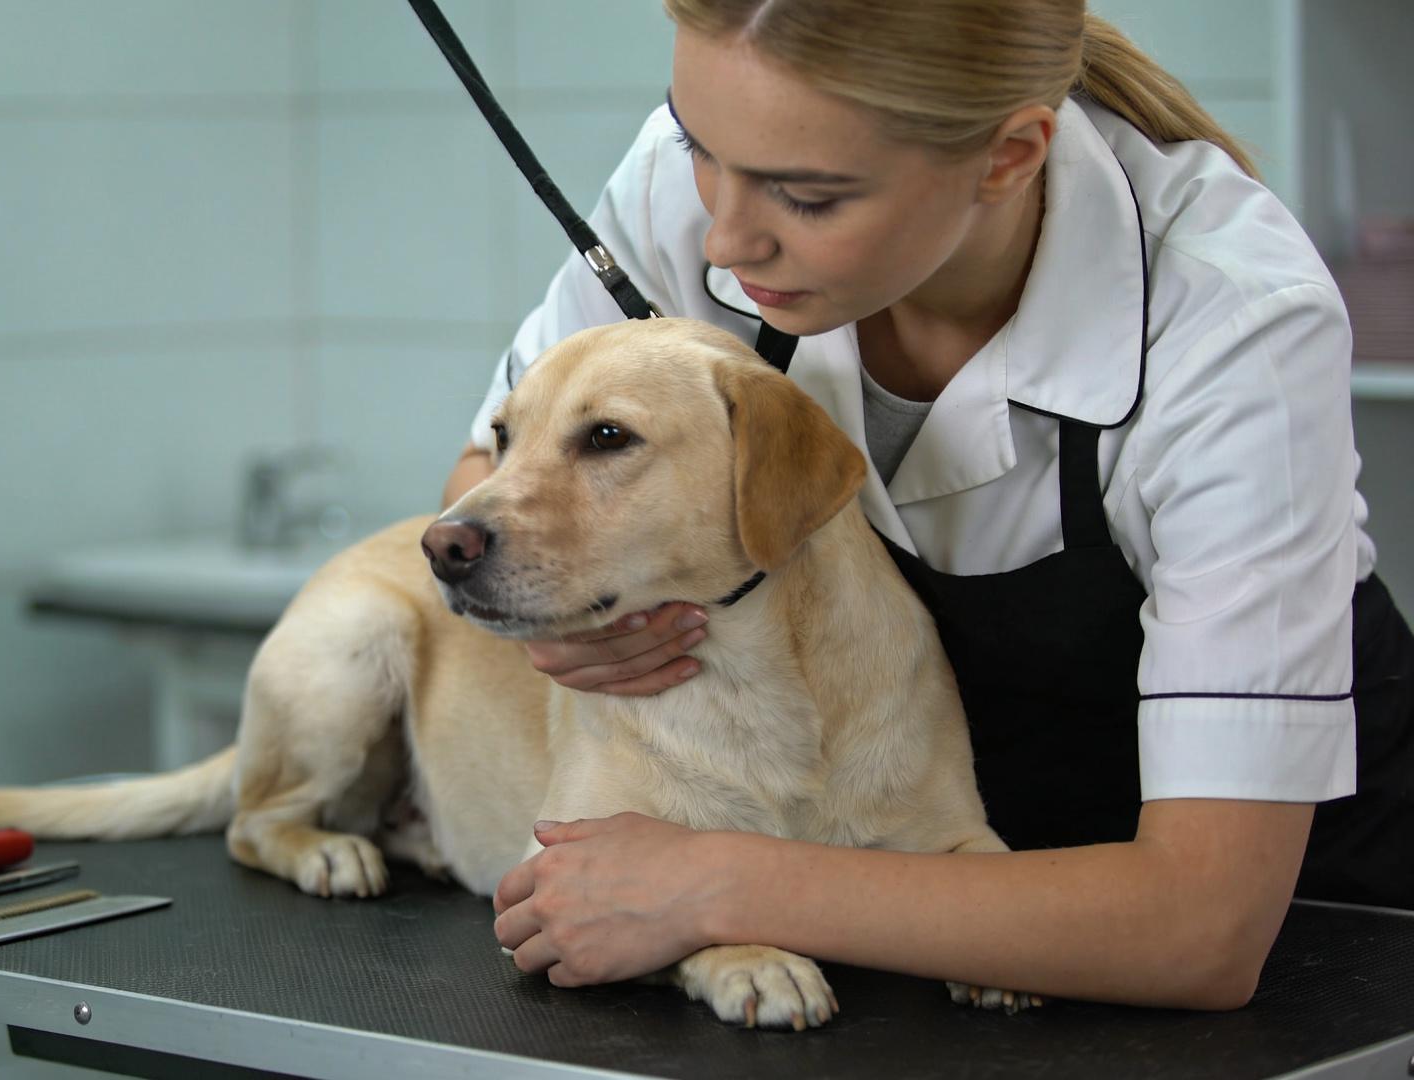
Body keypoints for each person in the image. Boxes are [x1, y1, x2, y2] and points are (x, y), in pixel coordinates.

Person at [444, 0, 1414, 1011]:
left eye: (807, 197)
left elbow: (1201, 932)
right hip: (896, 927)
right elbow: (483, 475)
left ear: (1007, 159)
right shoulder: (722, 166)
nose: (724, 239)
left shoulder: (1232, 324)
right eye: (698, 149)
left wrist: (709, 886)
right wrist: (561, 615)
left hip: (1304, 940)